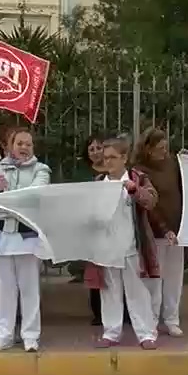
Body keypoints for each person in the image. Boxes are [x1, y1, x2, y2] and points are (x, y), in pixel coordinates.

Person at [0, 128, 50, 353]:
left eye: (28, 144)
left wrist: (4, 199)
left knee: (29, 288)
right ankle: (5, 334)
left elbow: (34, 196)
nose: (24, 148)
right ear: (10, 145)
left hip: (26, 236)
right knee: (6, 289)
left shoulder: (41, 170)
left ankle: (30, 335)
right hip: (0, 238)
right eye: (19, 143)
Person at [86, 137, 162, 349]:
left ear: (124, 158)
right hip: (107, 246)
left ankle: (146, 334)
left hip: (131, 246)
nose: (108, 161)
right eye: (105, 157)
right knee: (109, 290)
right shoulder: (98, 182)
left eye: (112, 157)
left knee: (137, 291)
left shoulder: (138, 178)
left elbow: (151, 200)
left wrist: (134, 190)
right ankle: (111, 332)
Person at [134, 127, 185, 338]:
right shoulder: (139, 171)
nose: (164, 152)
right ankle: (151, 321)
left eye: (166, 147)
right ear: (148, 149)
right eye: (160, 148)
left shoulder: (173, 164)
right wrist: (164, 229)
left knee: (174, 279)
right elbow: (148, 204)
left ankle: (172, 319)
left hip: (177, 230)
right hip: (154, 232)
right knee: (154, 279)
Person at [69, 134, 107, 326]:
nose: (95, 152)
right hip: (91, 227)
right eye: (91, 149)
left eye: (99, 148)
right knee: (95, 270)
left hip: (111, 227)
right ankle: (98, 312)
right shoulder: (82, 173)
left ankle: (121, 312)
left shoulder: (114, 170)